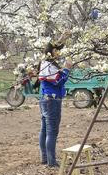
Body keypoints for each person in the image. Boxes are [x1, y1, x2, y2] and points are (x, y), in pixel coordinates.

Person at [38, 35, 73, 167]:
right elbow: (58, 81)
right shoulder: (48, 65)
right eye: (56, 50)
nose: (58, 53)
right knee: (52, 131)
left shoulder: (44, 64)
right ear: (51, 52)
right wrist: (67, 69)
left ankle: (45, 158)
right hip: (52, 100)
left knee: (45, 129)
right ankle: (51, 161)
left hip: (44, 99)